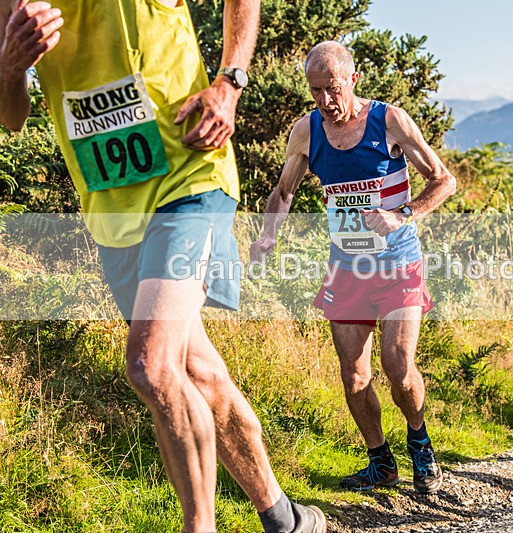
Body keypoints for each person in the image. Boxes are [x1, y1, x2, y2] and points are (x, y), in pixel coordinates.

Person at [0, 1, 325, 532]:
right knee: (194, 371)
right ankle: (286, 519)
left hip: (189, 175)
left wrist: (230, 83)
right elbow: (10, 116)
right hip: (113, 206)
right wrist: (11, 66)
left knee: (151, 366)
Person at [249, 41, 456, 493]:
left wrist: (403, 215)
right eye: (316, 91)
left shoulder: (389, 121)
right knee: (355, 374)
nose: (325, 101)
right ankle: (381, 461)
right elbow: (284, 193)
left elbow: (444, 180)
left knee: (398, 365)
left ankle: (419, 443)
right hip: (346, 268)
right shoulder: (306, 131)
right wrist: (268, 234)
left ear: (354, 80)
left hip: (399, 262)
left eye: (333, 89)